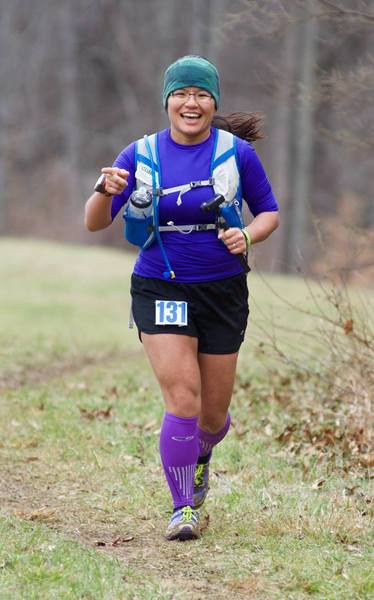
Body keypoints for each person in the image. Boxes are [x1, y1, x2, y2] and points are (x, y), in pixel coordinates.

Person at [85, 55, 279, 542]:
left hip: (222, 290)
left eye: (201, 94)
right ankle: (182, 507)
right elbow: (94, 221)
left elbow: (269, 213)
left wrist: (248, 237)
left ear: (213, 102)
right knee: (184, 400)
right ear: (167, 100)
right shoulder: (140, 153)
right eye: (182, 94)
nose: (191, 103)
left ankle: (202, 457)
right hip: (160, 284)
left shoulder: (238, 154)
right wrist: (102, 189)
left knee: (212, 417)